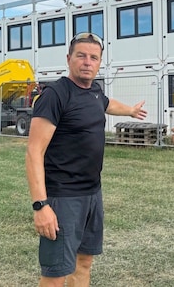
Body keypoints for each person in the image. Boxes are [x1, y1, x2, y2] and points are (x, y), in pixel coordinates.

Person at [25, 32, 147, 287]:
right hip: (63, 197)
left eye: (94, 57)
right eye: (81, 56)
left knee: (84, 263)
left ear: (100, 63)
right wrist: (41, 206)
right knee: (56, 273)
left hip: (92, 193)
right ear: (69, 59)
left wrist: (131, 110)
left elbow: (105, 103)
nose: (87, 62)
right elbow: (34, 152)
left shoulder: (94, 91)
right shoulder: (55, 95)